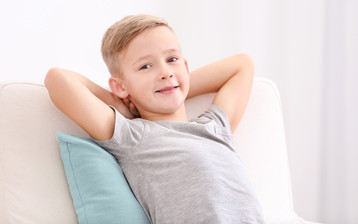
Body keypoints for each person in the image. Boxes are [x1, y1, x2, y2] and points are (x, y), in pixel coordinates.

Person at [44, 14, 265, 223]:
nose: (166, 72)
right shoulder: (133, 136)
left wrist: (177, 85)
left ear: (185, 67)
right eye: (145, 66)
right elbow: (58, 79)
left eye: (172, 59)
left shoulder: (215, 127)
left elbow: (243, 64)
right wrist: (124, 99)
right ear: (120, 85)